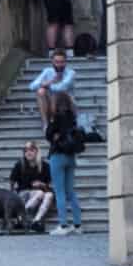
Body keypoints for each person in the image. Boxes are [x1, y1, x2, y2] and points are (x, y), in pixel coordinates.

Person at [45, 90, 87, 236]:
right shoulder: (73, 117)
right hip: (71, 156)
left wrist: (54, 133)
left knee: (59, 191)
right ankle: (77, 224)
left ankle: (63, 225)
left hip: (58, 156)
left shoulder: (56, 117)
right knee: (71, 191)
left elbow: (48, 135)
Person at [8, 140, 54, 229]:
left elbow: (49, 185)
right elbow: (12, 181)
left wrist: (41, 184)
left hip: (40, 194)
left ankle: (36, 221)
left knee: (49, 195)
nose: (28, 152)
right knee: (40, 193)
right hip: (24, 194)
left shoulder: (45, 165)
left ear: (36, 151)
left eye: (31, 150)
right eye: (26, 150)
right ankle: (20, 217)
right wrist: (12, 195)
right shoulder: (20, 164)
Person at [29, 47, 76, 128]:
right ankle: (46, 124)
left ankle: (56, 121)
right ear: (52, 62)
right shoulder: (47, 71)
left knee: (58, 93)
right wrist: (48, 82)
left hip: (66, 103)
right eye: (57, 62)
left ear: (66, 62)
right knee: (41, 91)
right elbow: (32, 86)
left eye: (62, 62)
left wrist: (48, 85)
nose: (59, 65)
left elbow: (62, 87)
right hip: (50, 102)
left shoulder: (71, 73)